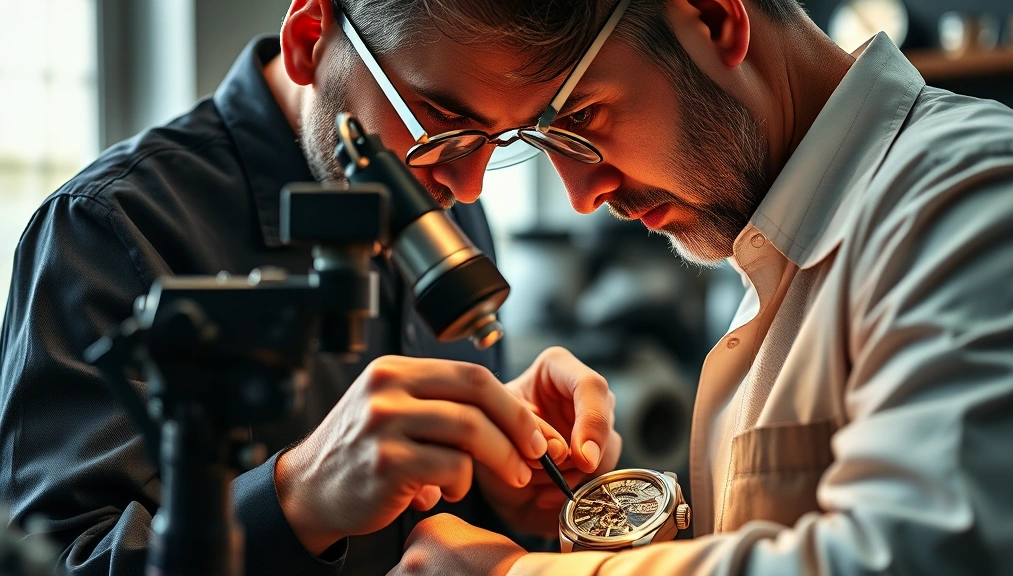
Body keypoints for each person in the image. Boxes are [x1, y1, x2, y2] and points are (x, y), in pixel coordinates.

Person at [374, 0, 1013, 575]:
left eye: (584, 116)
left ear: (714, 20)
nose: (580, 197)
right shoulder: (787, 242)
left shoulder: (972, 194)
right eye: (545, 143)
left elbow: (924, 551)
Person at [0, 0, 623, 574]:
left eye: (501, 139)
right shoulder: (109, 226)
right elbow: (53, 561)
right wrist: (297, 497)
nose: (469, 185)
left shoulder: (445, 203)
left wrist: (505, 488)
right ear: (307, 40)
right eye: (442, 120)